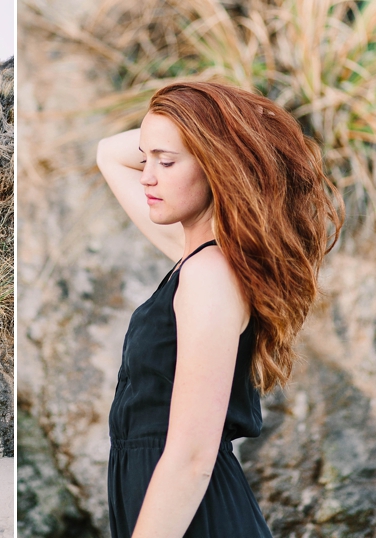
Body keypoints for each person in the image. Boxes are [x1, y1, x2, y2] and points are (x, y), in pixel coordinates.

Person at [96, 81, 342, 537]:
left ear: (215, 166)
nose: (147, 175)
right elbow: (109, 154)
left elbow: (191, 458)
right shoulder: (200, 259)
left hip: (194, 513)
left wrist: (210, 135)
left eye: (166, 162)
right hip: (169, 505)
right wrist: (177, 132)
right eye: (146, 158)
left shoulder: (210, 275)